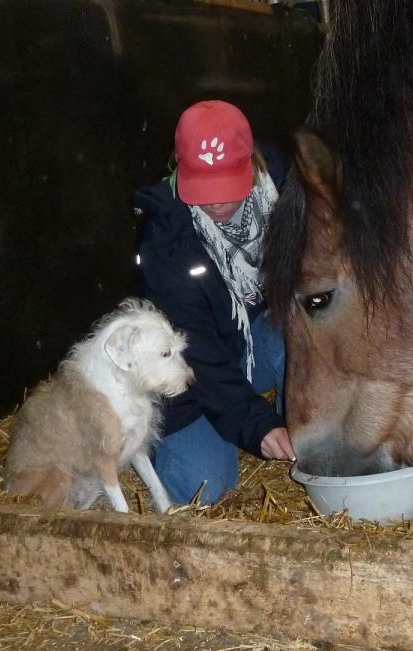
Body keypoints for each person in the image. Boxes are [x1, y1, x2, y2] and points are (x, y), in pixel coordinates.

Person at [134, 100, 295, 505]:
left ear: (252, 161)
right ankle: (153, 442)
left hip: (254, 336)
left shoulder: (285, 191)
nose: (219, 203)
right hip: (188, 371)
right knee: (203, 488)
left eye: (228, 184)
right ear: (179, 168)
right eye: (206, 186)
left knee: (300, 330)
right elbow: (197, 352)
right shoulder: (166, 240)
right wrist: (257, 423)